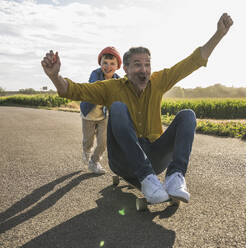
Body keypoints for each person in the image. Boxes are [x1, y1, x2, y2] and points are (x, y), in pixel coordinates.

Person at [41, 13, 233, 204]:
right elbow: (73, 90)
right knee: (117, 107)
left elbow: (192, 62)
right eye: (137, 65)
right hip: (123, 161)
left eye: (147, 65)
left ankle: (175, 176)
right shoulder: (111, 87)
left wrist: (219, 34)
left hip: (155, 159)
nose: (144, 70)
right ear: (125, 69)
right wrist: (54, 76)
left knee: (187, 115)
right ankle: (146, 177)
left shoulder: (158, 82)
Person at [80, 46, 122, 174]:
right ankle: (86, 152)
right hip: (89, 113)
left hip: (104, 115)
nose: (108, 66)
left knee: (103, 142)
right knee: (88, 140)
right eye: (105, 63)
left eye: (112, 64)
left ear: (117, 66)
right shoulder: (95, 74)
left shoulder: (118, 80)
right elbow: (97, 89)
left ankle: (94, 162)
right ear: (100, 63)